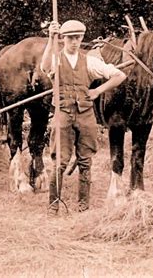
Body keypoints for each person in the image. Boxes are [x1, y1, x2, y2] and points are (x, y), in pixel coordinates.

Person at [41, 20, 127, 213]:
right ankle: (54, 206)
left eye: (78, 38)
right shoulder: (56, 59)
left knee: (85, 161)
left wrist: (98, 90)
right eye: (70, 38)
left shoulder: (89, 61)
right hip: (63, 114)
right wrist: (50, 39)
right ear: (63, 39)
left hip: (85, 115)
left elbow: (119, 75)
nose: (74, 42)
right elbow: (45, 67)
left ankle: (83, 207)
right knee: (60, 162)